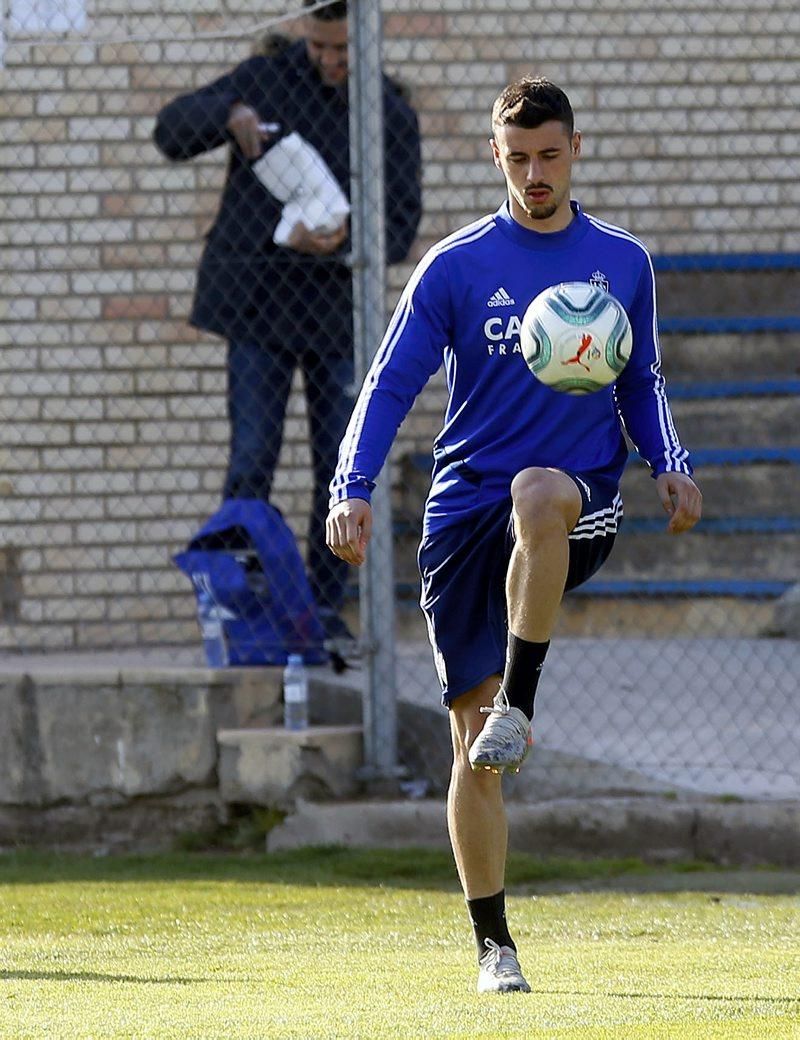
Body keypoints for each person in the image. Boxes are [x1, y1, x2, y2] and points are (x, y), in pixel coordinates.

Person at [326, 77, 702, 993]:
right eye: (517, 156)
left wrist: (669, 459)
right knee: (468, 747)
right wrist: (353, 485)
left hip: (576, 498)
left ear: (575, 148)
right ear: (498, 155)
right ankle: (495, 946)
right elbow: (388, 383)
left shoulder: (623, 262)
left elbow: (639, 376)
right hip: (465, 511)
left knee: (541, 494)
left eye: (549, 154)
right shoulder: (456, 266)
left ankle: (520, 703)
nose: (534, 172)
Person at [153, 0, 422, 646]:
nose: (330, 61)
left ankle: (321, 611)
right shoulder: (264, 79)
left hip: (334, 314)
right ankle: (242, 611)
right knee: (251, 458)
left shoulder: (387, 109)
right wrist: (227, 115)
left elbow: (402, 222)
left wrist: (345, 236)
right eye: (319, 48)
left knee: (339, 465)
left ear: (365, 40)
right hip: (258, 307)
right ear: (304, 37)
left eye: (342, 50)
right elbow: (169, 132)